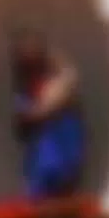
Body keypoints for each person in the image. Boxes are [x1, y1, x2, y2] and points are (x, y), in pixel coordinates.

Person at [11, 28, 86, 201]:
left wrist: (39, 111)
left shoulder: (61, 80)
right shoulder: (25, 87)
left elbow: (52, 104)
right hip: (40, 145)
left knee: (59, 179)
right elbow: (24, 116)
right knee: (40, 184)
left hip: (61, 139)